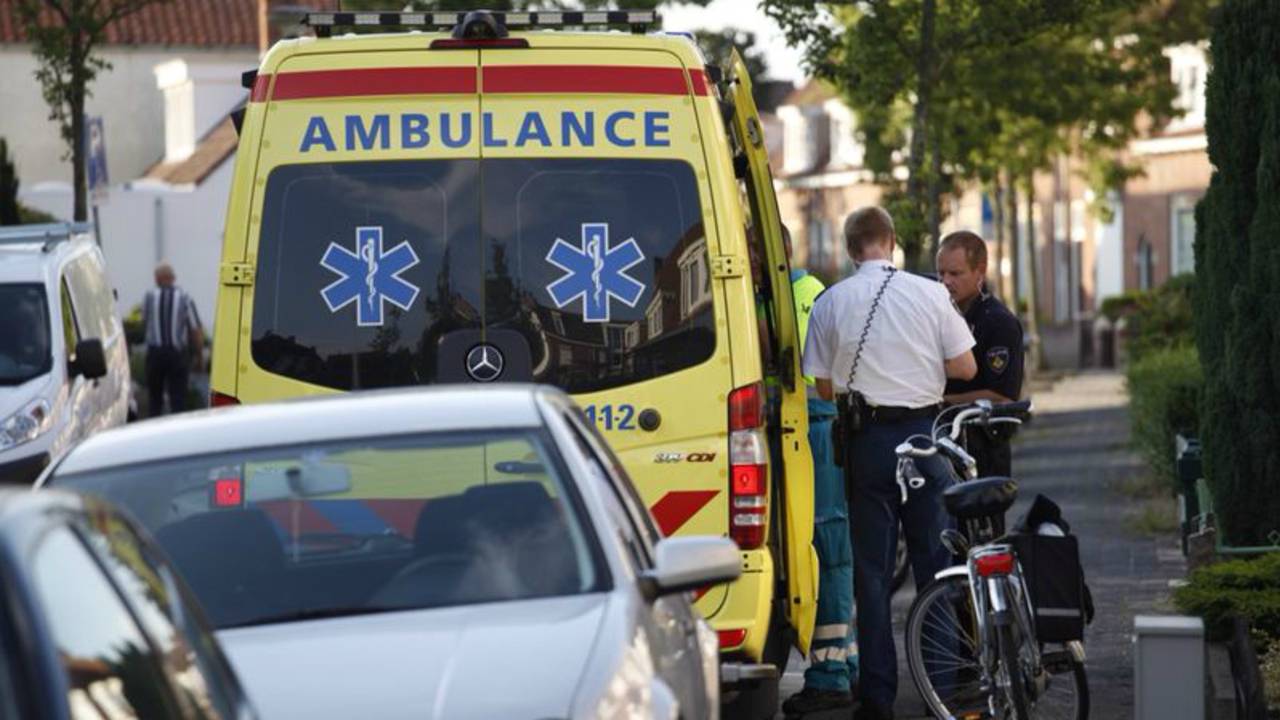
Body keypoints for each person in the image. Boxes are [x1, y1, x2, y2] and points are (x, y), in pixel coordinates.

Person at [803, 207, 976, 720]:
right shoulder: (929, 293)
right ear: (892, 243)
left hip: (868, 444)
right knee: (935, 566)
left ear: (849, 247)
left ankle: (878, 699)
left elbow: (822, 385)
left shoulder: (831, 301)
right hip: (923, 438)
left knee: (873, 575)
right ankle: (939, 690)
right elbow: (965, 365)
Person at [780, 226, 858, 717]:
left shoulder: (788, 300)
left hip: (812, 429)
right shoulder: (818, 294)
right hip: (826, 427)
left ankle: (830, 674)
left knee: (827, 547)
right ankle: (842, 663)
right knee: (836, 549)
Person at [936, 231, 1025, 476]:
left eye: (955, 273)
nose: (945, 281)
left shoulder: (998, 322)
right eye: (941, 273)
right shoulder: (937, 316)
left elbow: (1002, 395)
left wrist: (941, 402)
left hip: (983, 446)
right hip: (941, 442)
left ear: (980, 271)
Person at [141, 263, 204, 417]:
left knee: (155, 400)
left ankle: (153, 433)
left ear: (157, 279)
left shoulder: (149, 297)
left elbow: (144, 322)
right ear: (173, 278)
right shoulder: (185, 297)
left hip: (155, 354)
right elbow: (195, 328)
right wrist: (199, 355)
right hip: (177, 354)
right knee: (178, 399)